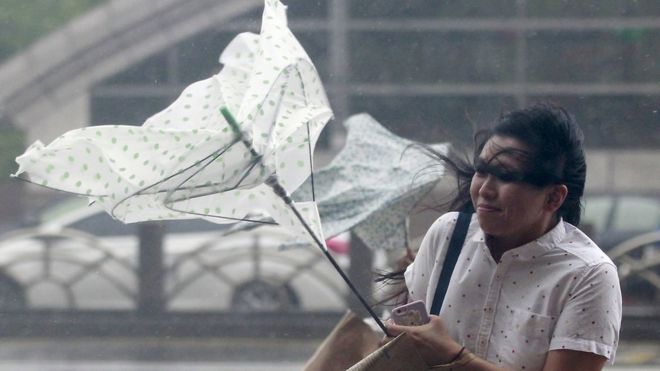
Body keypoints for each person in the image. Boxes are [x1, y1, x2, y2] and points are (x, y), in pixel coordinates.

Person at [384, 103, 622, 370]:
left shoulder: (588, 275)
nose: (485, 189)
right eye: (482, 171)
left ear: (554, 197)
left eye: (506, 176)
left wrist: (454, 357)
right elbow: (408, 348)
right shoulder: (448, 234)